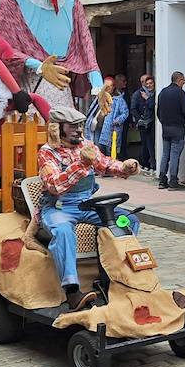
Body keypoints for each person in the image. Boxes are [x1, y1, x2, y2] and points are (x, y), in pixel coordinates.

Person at [37, 107, 141, 312]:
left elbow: (106, 163)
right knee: (64, 232)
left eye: (80, 125)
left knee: (129, 220)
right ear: (58, 128)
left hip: (86, 204)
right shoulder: (47, 152)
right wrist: (82, 163)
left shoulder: (87, 145)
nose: (78, 130)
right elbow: (55, 185)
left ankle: (116, 276)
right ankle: (72, 291)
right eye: (73, 126)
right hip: (60, 207)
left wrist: (125, 167)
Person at [157, 71, 185, 190]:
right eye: (183, 81)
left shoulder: (163, 92)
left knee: (165, 154)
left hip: (166, 127)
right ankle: (173, 181)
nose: (184, 83)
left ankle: (162, 180)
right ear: (179, 80)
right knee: (175, 154)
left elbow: (158, 112)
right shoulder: (180, 93)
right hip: (177, 127)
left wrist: (164, 122)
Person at [132, 74, 156, 173]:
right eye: (146, 83)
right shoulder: (138, 94)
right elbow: (133, 108)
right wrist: (139, 121)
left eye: (151, 83)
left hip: (154, 122)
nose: (148, 85)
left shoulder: (154, 93)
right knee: (147, 144)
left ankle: (150, 163)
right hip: (144, 124)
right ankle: (147, 164)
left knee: (151, 144)